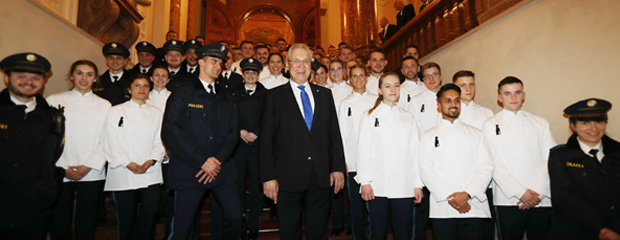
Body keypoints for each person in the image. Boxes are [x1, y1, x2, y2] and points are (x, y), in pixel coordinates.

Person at [259, 44, 346, 239]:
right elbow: (265, 141)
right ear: (287, 66)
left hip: (320, 176)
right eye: (296, 61)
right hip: (286, 178)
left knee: (318, 232)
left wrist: (338, 167)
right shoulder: (273, 97)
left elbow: (334, 134)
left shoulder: (325, 95)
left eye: (305, 61)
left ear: (311, 65)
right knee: (290, 234)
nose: (301, 65)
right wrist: (267, 177)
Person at [162, 43, 242, 240]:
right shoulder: (183, 92)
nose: (218, 66)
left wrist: (216, 160)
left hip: (221, 170)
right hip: (191, 170)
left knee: (235, 217)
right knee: (183, 227)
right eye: (213, 61)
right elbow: (171, 131)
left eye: (221, 63)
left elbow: (233, 133)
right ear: (200, 62)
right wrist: (202, 161)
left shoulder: (225, 97)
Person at [481, 76, 556, 240]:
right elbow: (492, 162)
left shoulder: (540, 123)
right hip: (509, 199)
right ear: (500, 98)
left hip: (540, 198)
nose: (513, 98)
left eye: (517, 93)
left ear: (524, 95)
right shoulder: (489, 125)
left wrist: (537, 193)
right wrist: (521, 192)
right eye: (507, 94)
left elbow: (551, 159)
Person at [0, 52, 65, 239]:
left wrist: (49, 191)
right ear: (6, 78)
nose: (28, 81)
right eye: (21, 76)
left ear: (43, 82)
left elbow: (53, 155)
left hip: (35, 211)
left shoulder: (54, 117)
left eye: (36, 77)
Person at [419, 83, 494, 240]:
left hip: (473, 205)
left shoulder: (477, 134)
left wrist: (467, 194)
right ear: (439, 105)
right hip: (443, 207)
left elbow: (486, 166)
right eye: (448, 101)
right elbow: (426, 170)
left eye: (456, 100)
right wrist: (451, 197)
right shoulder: (428, 136)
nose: (453, 105)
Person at [47, 60, 110, 240]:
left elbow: (107, 139)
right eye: (80, 73)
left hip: (91, 170)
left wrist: (88, 166)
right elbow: (49, 138)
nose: (84, 78)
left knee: (87, 220)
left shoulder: (104, 105)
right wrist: (62, 166)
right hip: (61, 168)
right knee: (59, 219)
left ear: (95, 79)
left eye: (89, 74)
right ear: (72, 76)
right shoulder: (54, 100)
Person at [357, 72, 422, 240]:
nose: (393, 89)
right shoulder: (369, 116)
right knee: (377, 231)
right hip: (378, 185)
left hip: (404, 185)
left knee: (403, 232)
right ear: (379, 90)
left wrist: (418, 184)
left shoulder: (409, 118)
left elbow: (415, 153)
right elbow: (363, 151)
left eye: (396, 85)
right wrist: (365, 182)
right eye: (387, 86)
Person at [103, 74, 165, 240]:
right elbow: (110, 140)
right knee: (125, 217)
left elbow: (161, 140)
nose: (141, 89)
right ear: (129, 89)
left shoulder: (157, 113)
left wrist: (151, 160)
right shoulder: (115, 111)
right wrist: (127, 163)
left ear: (149, 90)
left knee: (150, 212)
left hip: (150, 170)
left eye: (145, 86)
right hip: (123, 170)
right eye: (137, 85)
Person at [548, 98, 620, 240]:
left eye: (599, 121)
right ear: (573, 126)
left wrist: (616, 229)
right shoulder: (560, 156)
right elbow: (564, 199)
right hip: (573, 232)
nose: (593, 128)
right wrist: (602, 229)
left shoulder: (617, 153)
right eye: (585, 122)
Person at [452, 70, 495, 240]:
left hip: (483, 181)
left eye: (471, 84)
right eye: (463, 85)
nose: (468, 89)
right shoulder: (449, 113)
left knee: (484, 232)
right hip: (457, 181)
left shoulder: (487, 113)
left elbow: (491, 150)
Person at [337, 64, 377, 240]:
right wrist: (344, 160)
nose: (359, 79)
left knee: (375, 206)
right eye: (355, 76)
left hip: (375, 160)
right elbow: (343, 133)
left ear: (366, 77)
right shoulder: (346, 104)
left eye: (362, 75)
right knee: (356, 207)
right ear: (350, 79)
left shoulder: (377, 100)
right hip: (353, 161)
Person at [232, 58, 268, 240]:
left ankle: (254, 224)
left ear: (258, 75)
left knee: (256, 187)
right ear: (243, 74)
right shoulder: (234, 93)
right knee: (237, 186)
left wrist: (256, 132)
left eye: (254, 73)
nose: (251, 75)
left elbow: (269, 118)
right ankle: (239, 222)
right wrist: (240, 130)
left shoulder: (266, 94)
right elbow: (230, 115)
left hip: (257, 147)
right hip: (238, 147)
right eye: (247, 73)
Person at [408, 62, 443, 133]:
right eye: (427, 76)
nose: (431, 79)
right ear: (424, 80)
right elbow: (412, 128)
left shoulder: (450, 98)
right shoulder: (416, 100)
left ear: (440, 77)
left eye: (434, 74)